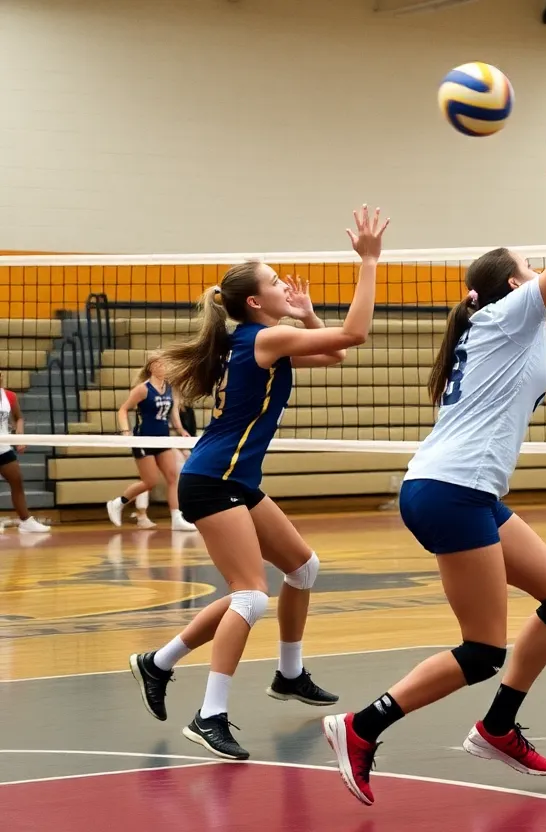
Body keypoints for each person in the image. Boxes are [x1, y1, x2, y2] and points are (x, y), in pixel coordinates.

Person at [324, 134, 546, 805]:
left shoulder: (507, 323)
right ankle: (361, 726)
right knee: (481, 651)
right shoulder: (509, 317)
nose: (541, 272)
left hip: (463, 490)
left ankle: (498, 726)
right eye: (531, 267)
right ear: (511, 285)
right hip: (452, 492)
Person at [127, 205, 389, 761]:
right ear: (254, 301)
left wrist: (310, 314)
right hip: (213, 479)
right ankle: (210, 715)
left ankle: (260, 672)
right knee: (249, 595)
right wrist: (368, 260)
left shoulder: (265, 338)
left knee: (303, 566)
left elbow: (337, 352)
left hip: (232, 478)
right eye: (274, 282)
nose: (282, 285)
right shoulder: (262, 341)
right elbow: (360, 332)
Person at [106, 353, 196, 531]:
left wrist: (181, 431)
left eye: (165, 364)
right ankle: (118, 502)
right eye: (160, 364)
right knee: (150, 481)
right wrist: (126, 431)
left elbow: (173, 414)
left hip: (162, 439)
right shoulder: (143, 389)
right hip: (143, 439)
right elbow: (123, 409)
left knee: (172, 477)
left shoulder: (171, 388)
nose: (164, 367)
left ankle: (177, 518)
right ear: (152, 367)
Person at [0, 375, 49, 533]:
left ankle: (25, 521)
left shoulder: (9, 396)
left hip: (3, 447)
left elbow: (19, 418)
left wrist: (20, 437)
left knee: (17, 480)